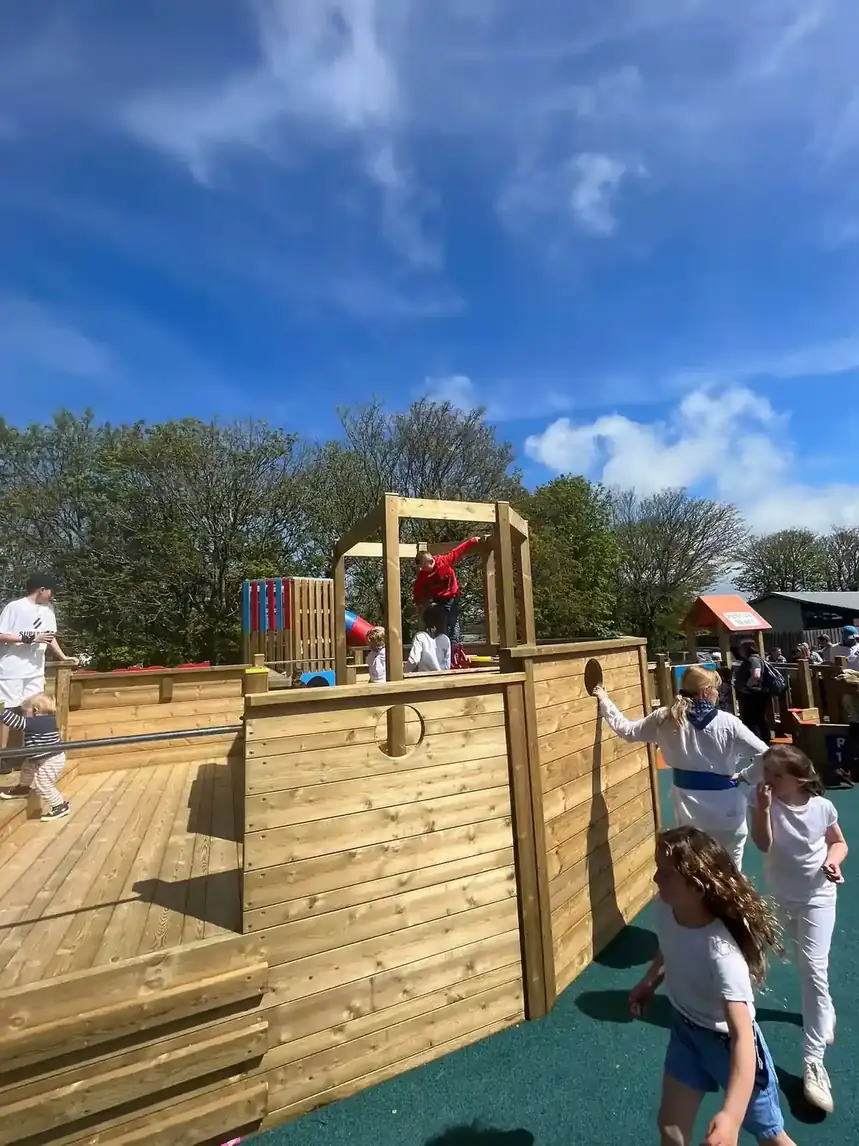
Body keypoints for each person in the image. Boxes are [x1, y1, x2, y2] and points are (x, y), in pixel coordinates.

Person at [630, 827, 795, 1146]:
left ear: (697, 888)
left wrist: (731, 1117)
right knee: (670, 1127)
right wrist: (649, 981)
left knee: (771, 1136)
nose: (655, 880)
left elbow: (743, 1036)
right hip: (686, 1033)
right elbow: (670, 945)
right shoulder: (666, 907)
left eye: (665, 875)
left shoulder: (722, 954)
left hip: (728, 1048)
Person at [749, 745, 847, 1113]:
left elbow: (838, 843)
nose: (768, 780)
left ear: (799, 779)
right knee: (802, 963)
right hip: (781, 897)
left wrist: (834, 862)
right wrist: (761, 808)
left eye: (776, 775)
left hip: (819, 897)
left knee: (812, 968)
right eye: (766, 772)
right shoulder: (763, 801)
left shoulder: (822, 807)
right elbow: (763, 843)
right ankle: (825, 1010)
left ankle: (813, 1062)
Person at [595, 665, 768, 869]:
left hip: (690, 813)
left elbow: (627, 730)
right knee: (731, 877)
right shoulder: (728, 722)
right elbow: (767, 755)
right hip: (727, 813)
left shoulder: (664, 718)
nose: (717, 693)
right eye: (715, 688)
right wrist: (746, 776)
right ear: (705, 691)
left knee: (696, 876)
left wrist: (605, 701)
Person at [0, 573, 75, 751]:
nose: (53, 595)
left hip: (35, 671)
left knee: (35, 711)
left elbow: (49, 637)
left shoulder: (48, 609)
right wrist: (32, 637)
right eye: (51, 591)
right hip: (12, 671)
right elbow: (1, 634)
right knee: (7, 712)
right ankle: (3, 754)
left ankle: (31, 752)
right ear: (41, 590)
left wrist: (63, 657)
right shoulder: (15, 607)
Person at [0, 693, 69, 820]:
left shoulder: (39, 722)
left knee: (43, 784)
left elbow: (16, 722)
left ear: (35, 710)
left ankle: (59, 805)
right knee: (27, 767)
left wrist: (2, 712)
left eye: (25, 712)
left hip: (51, 760)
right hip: (41, 757)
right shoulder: (47, 719)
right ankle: (24, 787)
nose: (24, 715)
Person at [413, 536, 486, 645]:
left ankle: (454, 645)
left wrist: (472, 541)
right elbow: (418, 589)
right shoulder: (423, 575)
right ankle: (440, 642)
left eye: (423, 566)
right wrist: (418, 603)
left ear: (429, 561)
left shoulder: (444, 561)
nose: (421, 569)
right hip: (437, 599)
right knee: (437, 619)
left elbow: (459, 550)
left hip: (452, 597)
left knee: (453, 620)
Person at [734, 640, 771, 746]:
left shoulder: (753, 659)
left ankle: (759, 743)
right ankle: (763, 741)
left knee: (753, 720)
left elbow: (756, 675)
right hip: (755, 694)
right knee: (758, 719)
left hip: (753, 695)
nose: (739, 651)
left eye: (741, 648)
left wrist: (746, 687)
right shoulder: (751, 659)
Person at [406, 604, 452, 673]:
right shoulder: (445, 639)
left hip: (424, 678)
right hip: (442, 678)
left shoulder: (420, 637)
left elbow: (414, 660)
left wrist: (404, 672)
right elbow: (447, 665)